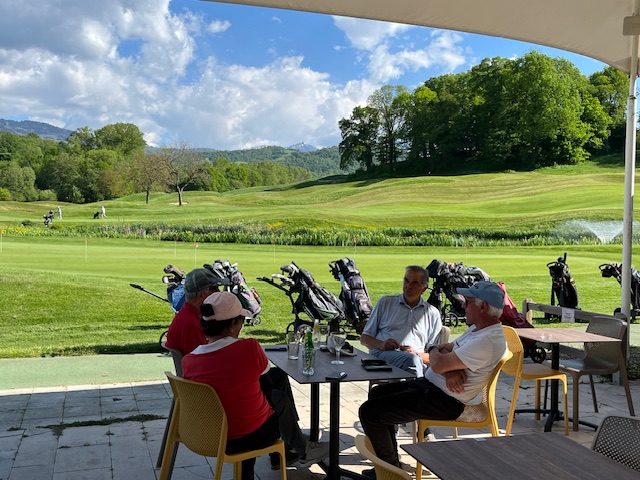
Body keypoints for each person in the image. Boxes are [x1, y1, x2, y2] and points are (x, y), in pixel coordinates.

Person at [358, 281, 508, 476]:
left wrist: (438, 354)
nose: (462, 305)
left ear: (483, 307)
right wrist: (446, 363)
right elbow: (444, 351)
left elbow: (438, 362)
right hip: (432, 388)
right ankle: (390, 466)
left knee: (370, 412)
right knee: (377, 394)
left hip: (445, 401)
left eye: (467, 301)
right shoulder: (477, 329)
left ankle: (391, 474)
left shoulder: (486, 340)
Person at [181, 292, 329, 479]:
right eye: (241, 321)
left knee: (268, 391)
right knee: (278, 399)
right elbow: (267, 388)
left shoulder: (189, 361)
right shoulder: (249, 347)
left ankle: (295, 444)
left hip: (210, 437)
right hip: (249, 436)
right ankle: (300, 448)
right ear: (232, 324)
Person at [360, 265, 442, 376]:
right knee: (412, 361)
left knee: (412, 360)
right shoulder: (386, 302)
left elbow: (435, 357)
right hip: (383, 356)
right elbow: (365, 339)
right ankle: (417, 385)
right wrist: (382, 344)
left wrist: (416, 354)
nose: (408, 286)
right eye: (406, 281)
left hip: (417, 361)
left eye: (414, 283)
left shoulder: (432, 314)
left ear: (424, 288)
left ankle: (412, 385)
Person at [165, 267, 229, 355]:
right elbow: (201, 360)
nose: (219, 292)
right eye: (215, 289)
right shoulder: (191, 325)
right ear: (201, 294)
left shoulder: (189, 316)